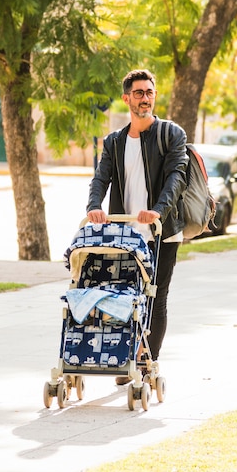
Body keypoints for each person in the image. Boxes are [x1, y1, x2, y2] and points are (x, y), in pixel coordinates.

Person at [86, 69, 188, 384]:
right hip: (125, 233)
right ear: (127, 98)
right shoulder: (115, 141)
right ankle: (126, 359)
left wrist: (158, 211)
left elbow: (176, 177)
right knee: (123, 296)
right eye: (139, 93)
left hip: (162, 232)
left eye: (149, 92)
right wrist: (94, 205)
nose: (145, 98)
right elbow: (101, 176)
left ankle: (146, 363)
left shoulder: (171, 134)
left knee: (156, 297)